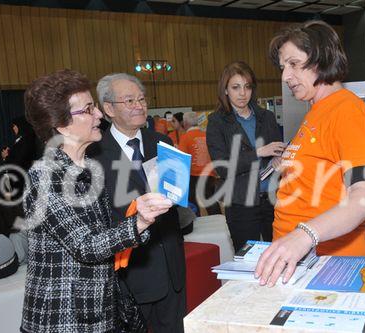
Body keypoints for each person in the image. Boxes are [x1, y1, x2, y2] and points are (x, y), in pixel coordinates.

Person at [20, 69, 172, 332]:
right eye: (89, 109)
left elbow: (107, 236)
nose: (99, 114)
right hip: (63, 317)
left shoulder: (90, 168)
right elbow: (85, 245)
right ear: (61, 123)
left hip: (101, 309)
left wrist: (141, 216)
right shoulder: (45, 175)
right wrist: (139, 223)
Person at [255, 21, 365, 287]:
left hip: (330, 265)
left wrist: (304, 235)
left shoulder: (346, 111)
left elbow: (364, 196)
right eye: (282, 67)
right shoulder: (316, 112)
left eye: (293, 64)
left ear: (321, 59)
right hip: (301, 262)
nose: (285, 76)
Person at [89, 73, 186, 332]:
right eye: (129, 100)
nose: (139, 105)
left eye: (142, 99)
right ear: (108, 108)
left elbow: (179, 201)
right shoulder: (94, 155)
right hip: (129, 277)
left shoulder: (162, 143)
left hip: (172, 270)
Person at [206, 61, 285, 252]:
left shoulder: (266, 117)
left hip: (273, 200)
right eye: (236, 87)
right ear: (225, 90)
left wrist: (280, 160)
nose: (243, 93)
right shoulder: (217, 122)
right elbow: (222, 168)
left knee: (280, 256)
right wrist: (259, 152)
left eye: (247, 87)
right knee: (246, 259)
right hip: (241, 203)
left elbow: (275, 153)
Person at [178, 111, 221, 216]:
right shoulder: (207, 135)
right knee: (210, 199)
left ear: (185, 123)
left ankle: (195, 222)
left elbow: (182, 159)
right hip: (209, 173)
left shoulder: (185, 137)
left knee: (192, 202)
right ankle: (219, 221)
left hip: (193, 175)